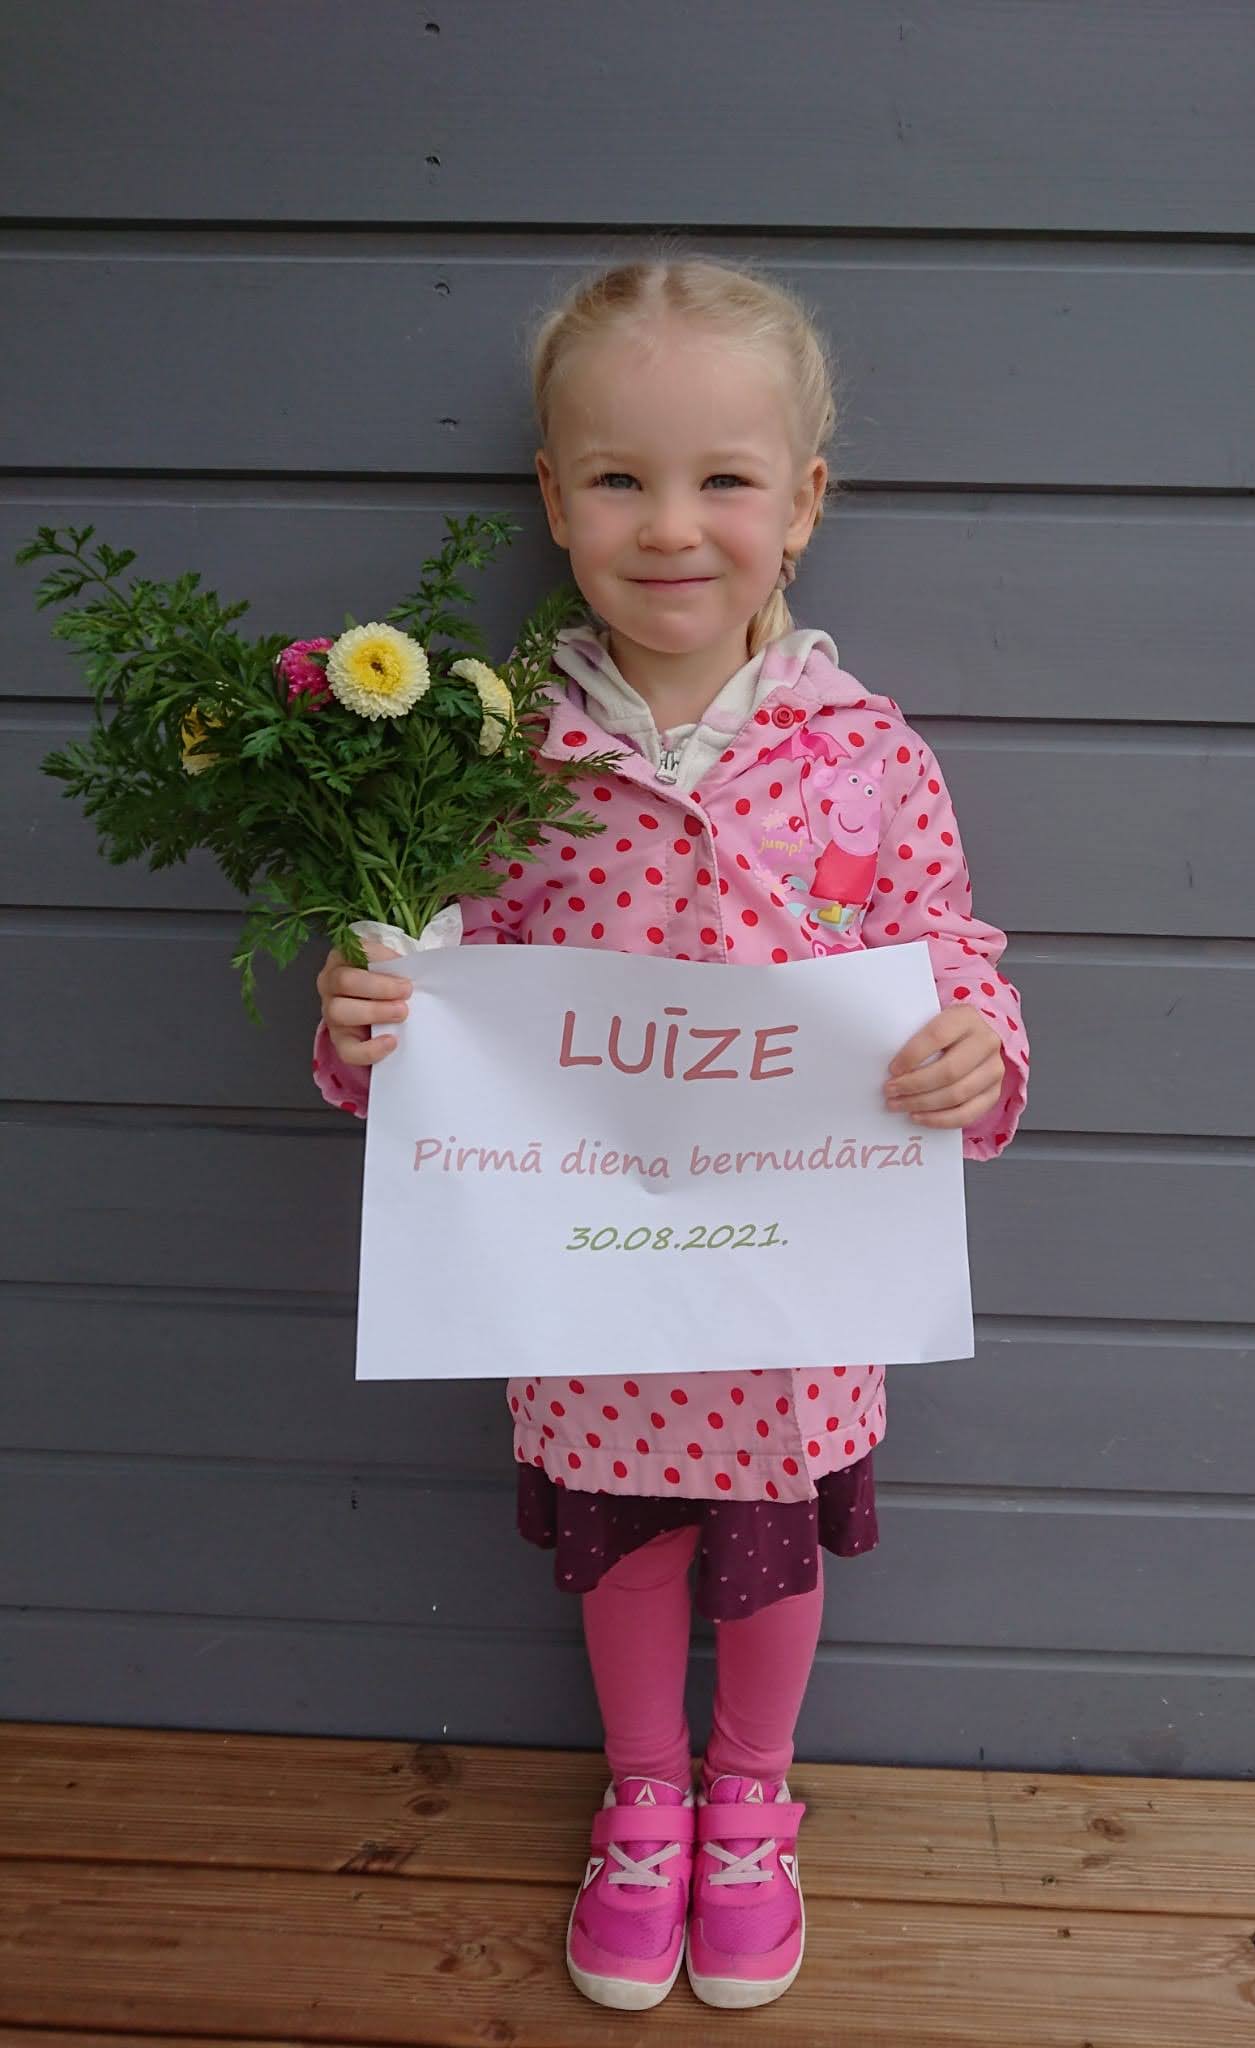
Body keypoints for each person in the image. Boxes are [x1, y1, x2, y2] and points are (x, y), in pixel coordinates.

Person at [312, 253, 1030, 2012]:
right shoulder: (495, 767)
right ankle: (645, 1798)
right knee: (625, 1534)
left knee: (772, 1543)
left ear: (805, 504)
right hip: (592, 1282)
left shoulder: (866, 757)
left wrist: (975, 1049)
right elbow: (440, 1013)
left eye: (724, 477)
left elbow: (952, 947)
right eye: (622, 478)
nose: (673, 525)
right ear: (554, 498)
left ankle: (751, 1801)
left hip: (795, 1285)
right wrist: (371, 1027)